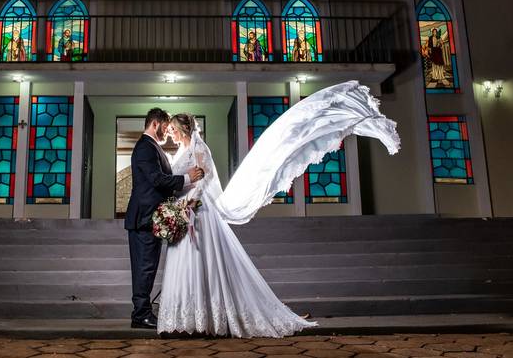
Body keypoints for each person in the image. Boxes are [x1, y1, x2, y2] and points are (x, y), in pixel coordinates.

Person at [157, 81, 401, 337]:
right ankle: (187, 319)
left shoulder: (198, 148)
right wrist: (177, 206)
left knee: (202, 264)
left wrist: (188, 204)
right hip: (185, 214)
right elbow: (180, 181)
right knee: (186, 265)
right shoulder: (179, 152)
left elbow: (202, 179)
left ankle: (207, 320)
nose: (171, 133)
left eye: (172, 129)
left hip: (199, 212)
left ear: (184, 128)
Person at [124, 108, 203, 329]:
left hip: (152, 217)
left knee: (147, 266)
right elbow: (157, 179)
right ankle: (141, 314)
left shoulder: (152, 147)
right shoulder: (145, 147)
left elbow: (162, 179)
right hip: (144, 217)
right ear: (156, 124)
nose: (167, 133)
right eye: (165, 128)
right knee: (144, 267)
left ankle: (142, 312)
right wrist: (188, 178)